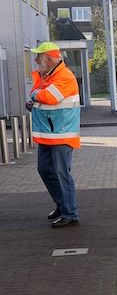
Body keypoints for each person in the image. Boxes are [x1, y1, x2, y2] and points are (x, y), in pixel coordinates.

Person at [26, 42, 81, 228]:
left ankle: (70, 213)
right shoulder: (48, 76)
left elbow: (48, 97)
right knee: (45, 170)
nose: (35, 60)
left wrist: (35, 96)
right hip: (49, 134)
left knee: (61, 173)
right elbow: (40, 95)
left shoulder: (64, 76)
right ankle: (62, 205)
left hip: (61, 134)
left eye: (38, 57)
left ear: (48, 59)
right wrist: (35, 97)